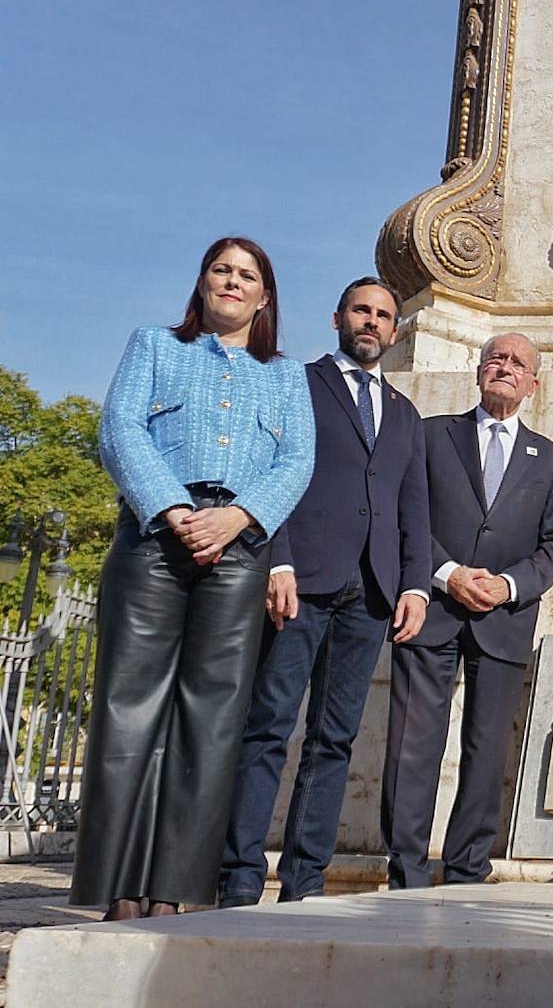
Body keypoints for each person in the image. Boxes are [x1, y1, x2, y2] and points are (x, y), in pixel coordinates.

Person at [72, 237, 314, 919]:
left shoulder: (285, 376)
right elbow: (119, 428)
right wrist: (176, 509)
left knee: (211, 716)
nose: (233, 283)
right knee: (130, 707)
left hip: (237, 545)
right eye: (222, 271)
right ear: (203, 283)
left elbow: (295, 460)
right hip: (155, 534)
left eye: (248, 275)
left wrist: (237, 518)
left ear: (265, 297)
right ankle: (117, 889)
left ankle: (176, 891)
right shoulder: (155, 345)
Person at [219, 277, 431, 907]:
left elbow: (412, 506)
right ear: (338, 317)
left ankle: (305, 883)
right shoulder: (296, 383)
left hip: (370, 593)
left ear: (394, 332)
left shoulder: (405, 413)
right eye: (361, 311)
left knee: (333, 740)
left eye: (383, 316)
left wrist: (415, 584)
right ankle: (239, 878)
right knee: (267, 729)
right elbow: (268, 472)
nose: (371, 323)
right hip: (300, 583)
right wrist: (276, 562)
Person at [381, 332, 553, 888]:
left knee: (487, 748)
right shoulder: (430, 436)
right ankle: (408, 870)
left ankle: (467, 868)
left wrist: (509, 585)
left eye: (518, 362)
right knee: (413, 743)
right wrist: (447, 574)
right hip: (430, 609)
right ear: (478, 370)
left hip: (504, 621)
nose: (505, 367)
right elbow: (404, 514)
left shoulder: (552, 460)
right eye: (496, 358)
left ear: (534, 384)